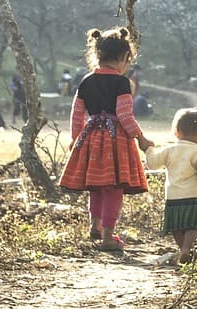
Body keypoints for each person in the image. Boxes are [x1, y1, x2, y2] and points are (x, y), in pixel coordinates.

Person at [58, 27, 153, 253]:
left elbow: (77, 112)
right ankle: (108, 236)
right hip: (116, 140)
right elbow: (124, 115)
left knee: (97, 186)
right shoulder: (122, 83)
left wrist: (75, 138)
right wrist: (141, 138)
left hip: (90, 137)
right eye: (127, 61)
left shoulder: (86, 80)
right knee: (114, 187)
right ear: (123, 58)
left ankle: (96, 226)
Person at [144, 108, 197, 265]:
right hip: (192, 197)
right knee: (192, 226)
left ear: (176, 132)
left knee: (176, 226)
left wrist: (148, 149)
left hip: (173, 198)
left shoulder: (169, 150)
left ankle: (182, 248)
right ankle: (186, 249)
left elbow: (152, 164)